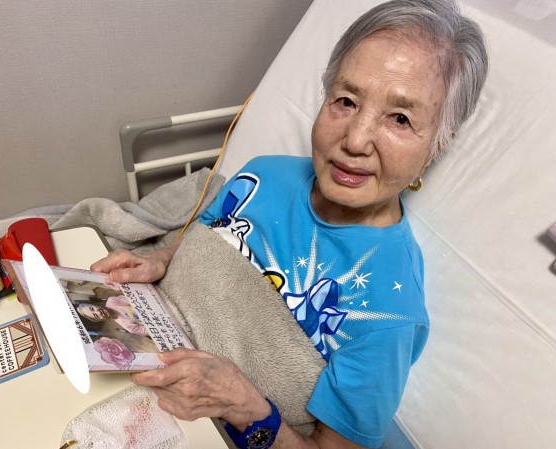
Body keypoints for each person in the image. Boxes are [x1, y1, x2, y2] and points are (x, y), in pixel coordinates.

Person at [91, 1, 488, 447]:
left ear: (437, 144)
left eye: (400, 118)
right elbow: (205, 235)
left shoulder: (387, 313)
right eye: (346, 101)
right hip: (122, 366)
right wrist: (161, 260)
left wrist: (243, 406)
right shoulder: (264, 174)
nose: (356, 140)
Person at [76, 296, 149, 336]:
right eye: (96, 315)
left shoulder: (112, 301)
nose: (98, 312)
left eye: (92, 309)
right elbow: (150, 331)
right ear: (99, 319)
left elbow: (137, 299)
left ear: (94, 305)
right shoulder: (128, 327)